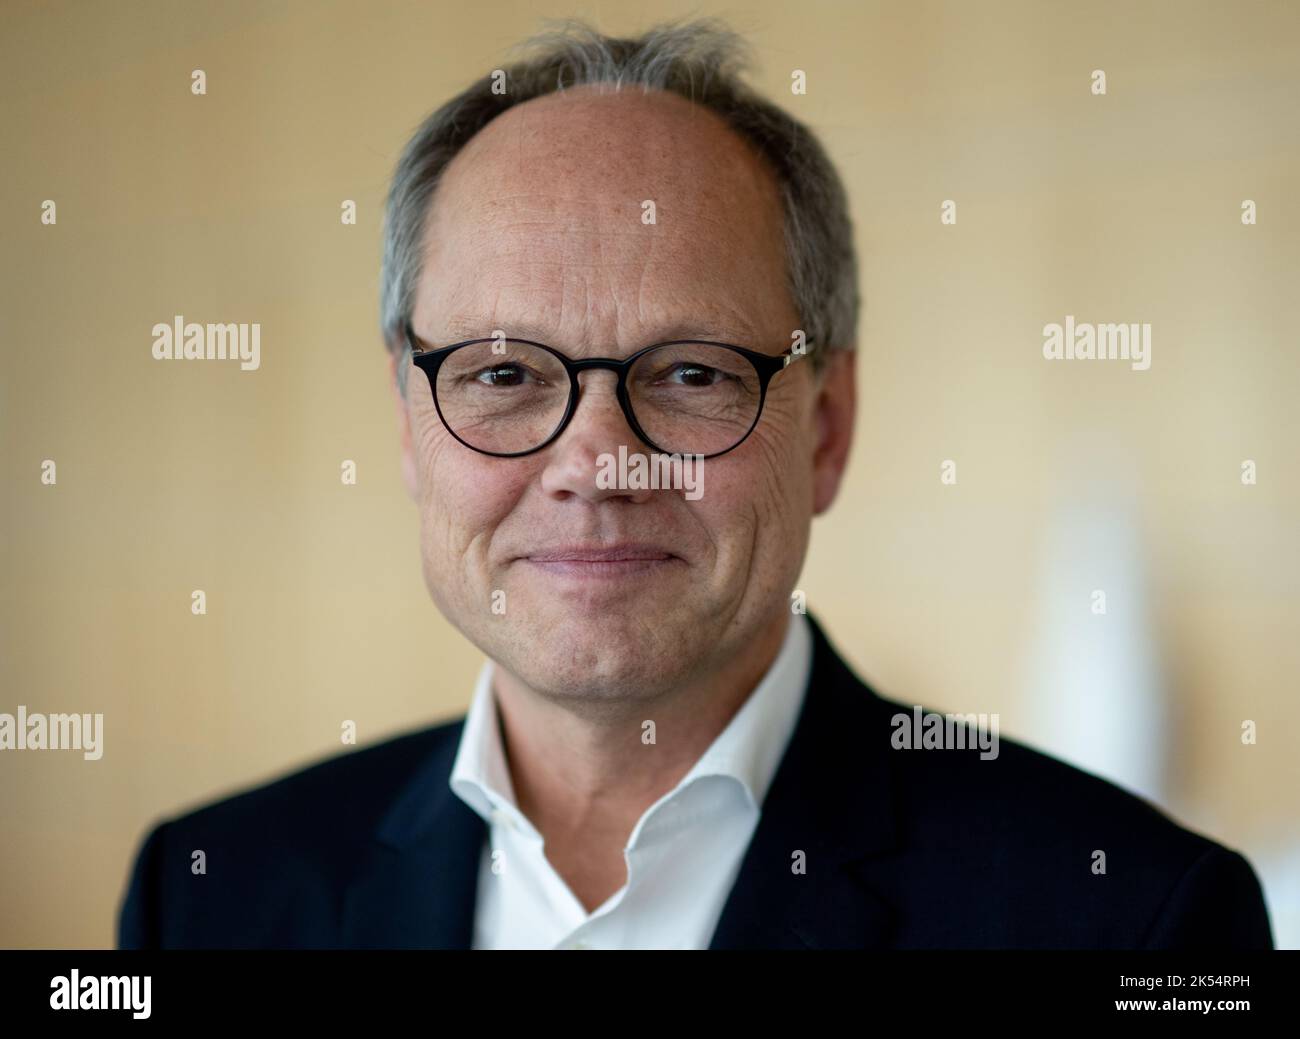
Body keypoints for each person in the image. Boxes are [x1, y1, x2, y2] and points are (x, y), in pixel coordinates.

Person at [118, 18, 1273, 950]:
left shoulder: (1135, 919)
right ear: (412, 425)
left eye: (687, 373)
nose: (595, 464)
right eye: (506, 372)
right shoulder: (211, 895)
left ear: (826, 428)